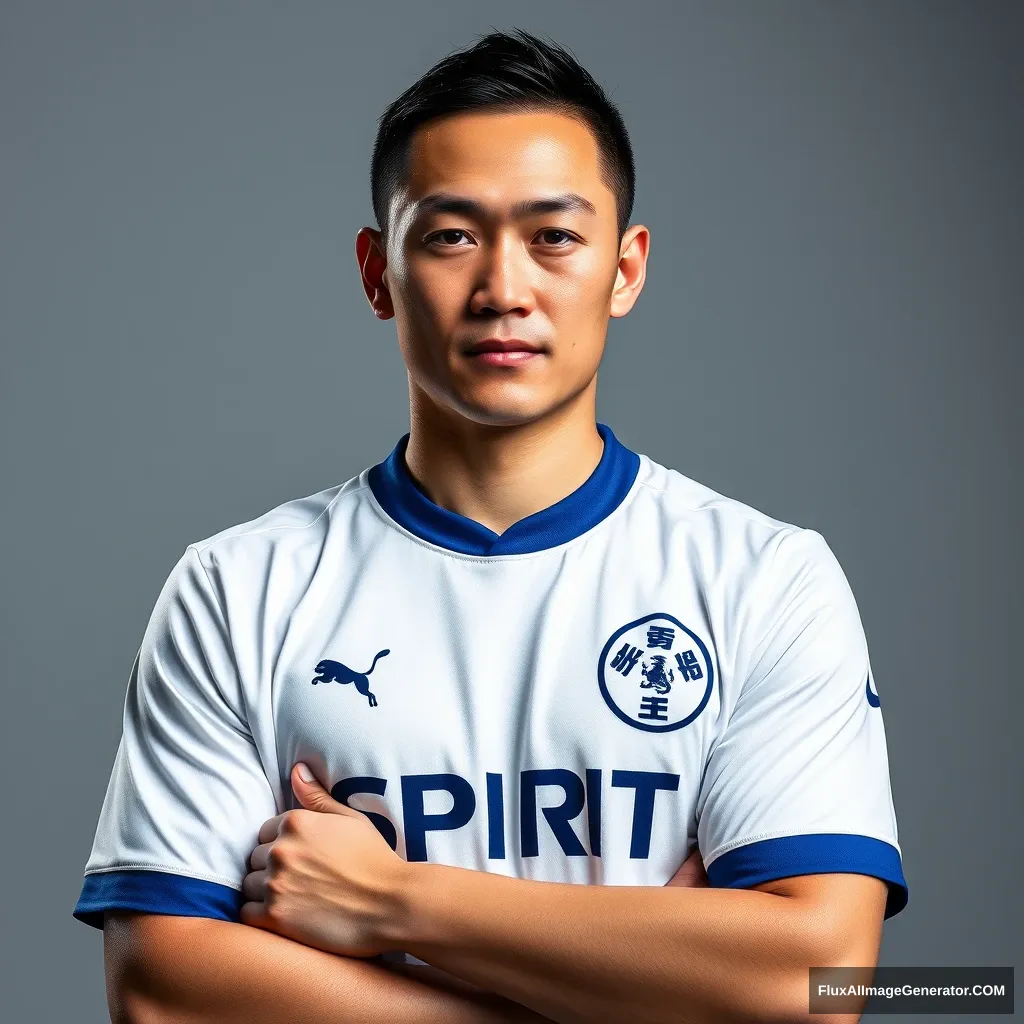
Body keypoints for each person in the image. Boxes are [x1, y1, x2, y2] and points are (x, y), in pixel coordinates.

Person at [74, 27, 907, 1024]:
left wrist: (395, 900)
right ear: (378, 271)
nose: (504, 289)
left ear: (626, 268)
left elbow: (820, 983)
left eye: (553, 235)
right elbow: (164, 992)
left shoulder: (763, 578)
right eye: (450, 235)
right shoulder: (237, 588)